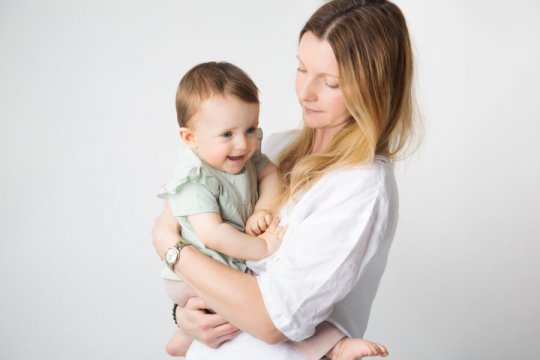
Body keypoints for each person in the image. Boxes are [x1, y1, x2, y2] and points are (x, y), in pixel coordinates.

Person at [153, 0, 415, 359]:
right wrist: (185, 317)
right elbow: (192, 213)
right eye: (301, 68)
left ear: (374, 88)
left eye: (330, 82)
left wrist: (170, 248)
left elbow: (272, 320)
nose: (305, 92)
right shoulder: (273, 147)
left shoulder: (361, 186)